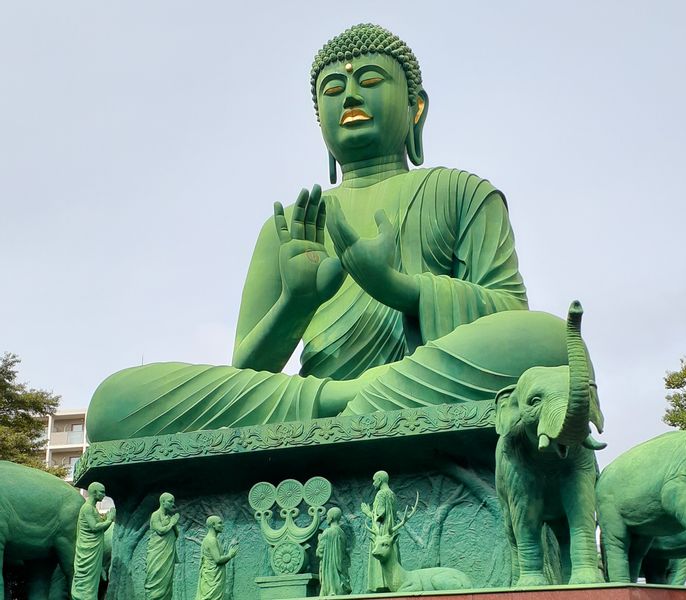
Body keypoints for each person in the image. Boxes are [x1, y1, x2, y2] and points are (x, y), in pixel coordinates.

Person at [86, 24, 596, 443]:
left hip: (427, 378)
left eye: (370, 80)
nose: (350, 94)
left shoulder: (461, 191)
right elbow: (247, 369)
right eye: (333, 90)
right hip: (311, 400)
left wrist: (400, 288)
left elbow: (508, 314)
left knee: (548, 341)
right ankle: (348, 403)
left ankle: (351, 404)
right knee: (113, 404)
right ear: (321, 125)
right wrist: (295, 303)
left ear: (417, 108)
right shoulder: (290, 225)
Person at [71, 482, 115, 600]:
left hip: (94, 550)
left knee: (92, 580)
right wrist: (109, 519)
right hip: (87, 551)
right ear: (94, 492)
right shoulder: (87, 508)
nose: (104, 495)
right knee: (86, 580)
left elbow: (98, 528)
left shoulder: (93, 508)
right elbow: (94, 527)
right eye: (102, 492)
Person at [361, 471, 397, 592]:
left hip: (381, 531)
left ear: (380, 479)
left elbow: (379, 516)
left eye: (374, 480)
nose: (373, 483)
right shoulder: (392, 494)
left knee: (380, 553)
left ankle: (381, 583)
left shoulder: (381, 494)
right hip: (390, 532)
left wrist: (367, 512)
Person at [145, 493, 180, 600]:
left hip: (168, 553)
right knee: (155, 577)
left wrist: (173, 523)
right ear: (162, 502)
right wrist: (172, 523)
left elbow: (176, 534)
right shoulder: (155, 515)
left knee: (167, 580)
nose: (173, 504)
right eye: (170, 501)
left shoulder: (169, 517)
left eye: (173, 502)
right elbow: (160, 530)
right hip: (157, 553)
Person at [194, 516, 237, 600]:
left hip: (214, 576)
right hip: (212, 578)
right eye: (220, 523)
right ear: (213, 525)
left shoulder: (214, 539)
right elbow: (218, 560)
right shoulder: (211, 540)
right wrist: (230, 555)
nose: (222, 525)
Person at [316, 507, 350, 596]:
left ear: (331, 517)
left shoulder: (327, 532)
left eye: (327, 516)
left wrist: (319, 540)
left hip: (329, 567)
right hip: (340, 565)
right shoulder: (342, 533)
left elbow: (320, 552)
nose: (327, 518)